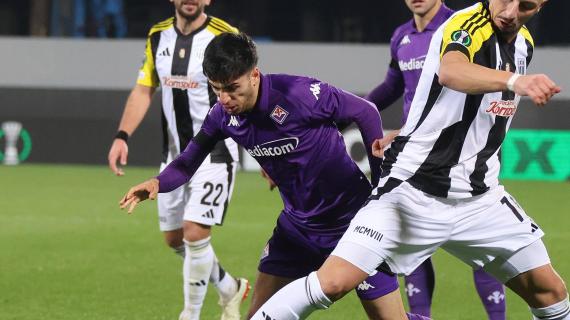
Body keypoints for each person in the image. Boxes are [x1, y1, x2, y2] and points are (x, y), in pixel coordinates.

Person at [250, 1, 569, 319]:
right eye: (505, 0)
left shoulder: (523, 44)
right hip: (413, 189)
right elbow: (451, 70)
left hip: (481, 199)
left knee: (551, 293)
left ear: (541, 5)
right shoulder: (467, 23)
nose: (510, 12)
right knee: (332, 283)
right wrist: (516, 81)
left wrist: (408, 128)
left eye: (525, 5)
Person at [119, 32, 431, 320]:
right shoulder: (222, 117)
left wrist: (379, 187)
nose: (224, 99)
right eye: (216, 89)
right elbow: (187, 163)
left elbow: (366, 112)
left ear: (254, 76)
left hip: (352, 224)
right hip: (297, 230)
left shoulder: (298, 93)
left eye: (232, 88)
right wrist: (157, 184)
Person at [107, 1, 248, 319]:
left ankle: (190, 313)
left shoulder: (224, 35)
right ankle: (229, 287)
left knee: (195, 233)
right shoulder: (157, 36)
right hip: (173, 157)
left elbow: (249, 89)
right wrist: (122, 136)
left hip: (216, 152)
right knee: (174, 239)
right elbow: (144, 89)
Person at [365, 1, 506, 318]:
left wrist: (405, 131)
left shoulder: (461, 26)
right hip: (416, 155)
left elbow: (476, 87)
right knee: (410, 241)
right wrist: (349, 113)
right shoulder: (401, 35)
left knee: (482, 246)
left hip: (463, 153)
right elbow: (392, 86)